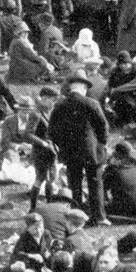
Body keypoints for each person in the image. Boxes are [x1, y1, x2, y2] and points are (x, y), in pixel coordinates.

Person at [47, 72, 109, 226]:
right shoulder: (91, 103)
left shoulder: (60, 105)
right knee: (95, 182)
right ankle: (99, 216)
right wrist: (101, 143)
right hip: (91, 150)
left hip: (70, 150)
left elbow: (52, 130)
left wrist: (62, 144)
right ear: (83, 87)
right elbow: (103, 126)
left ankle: (76, 215)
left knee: (74, 183)